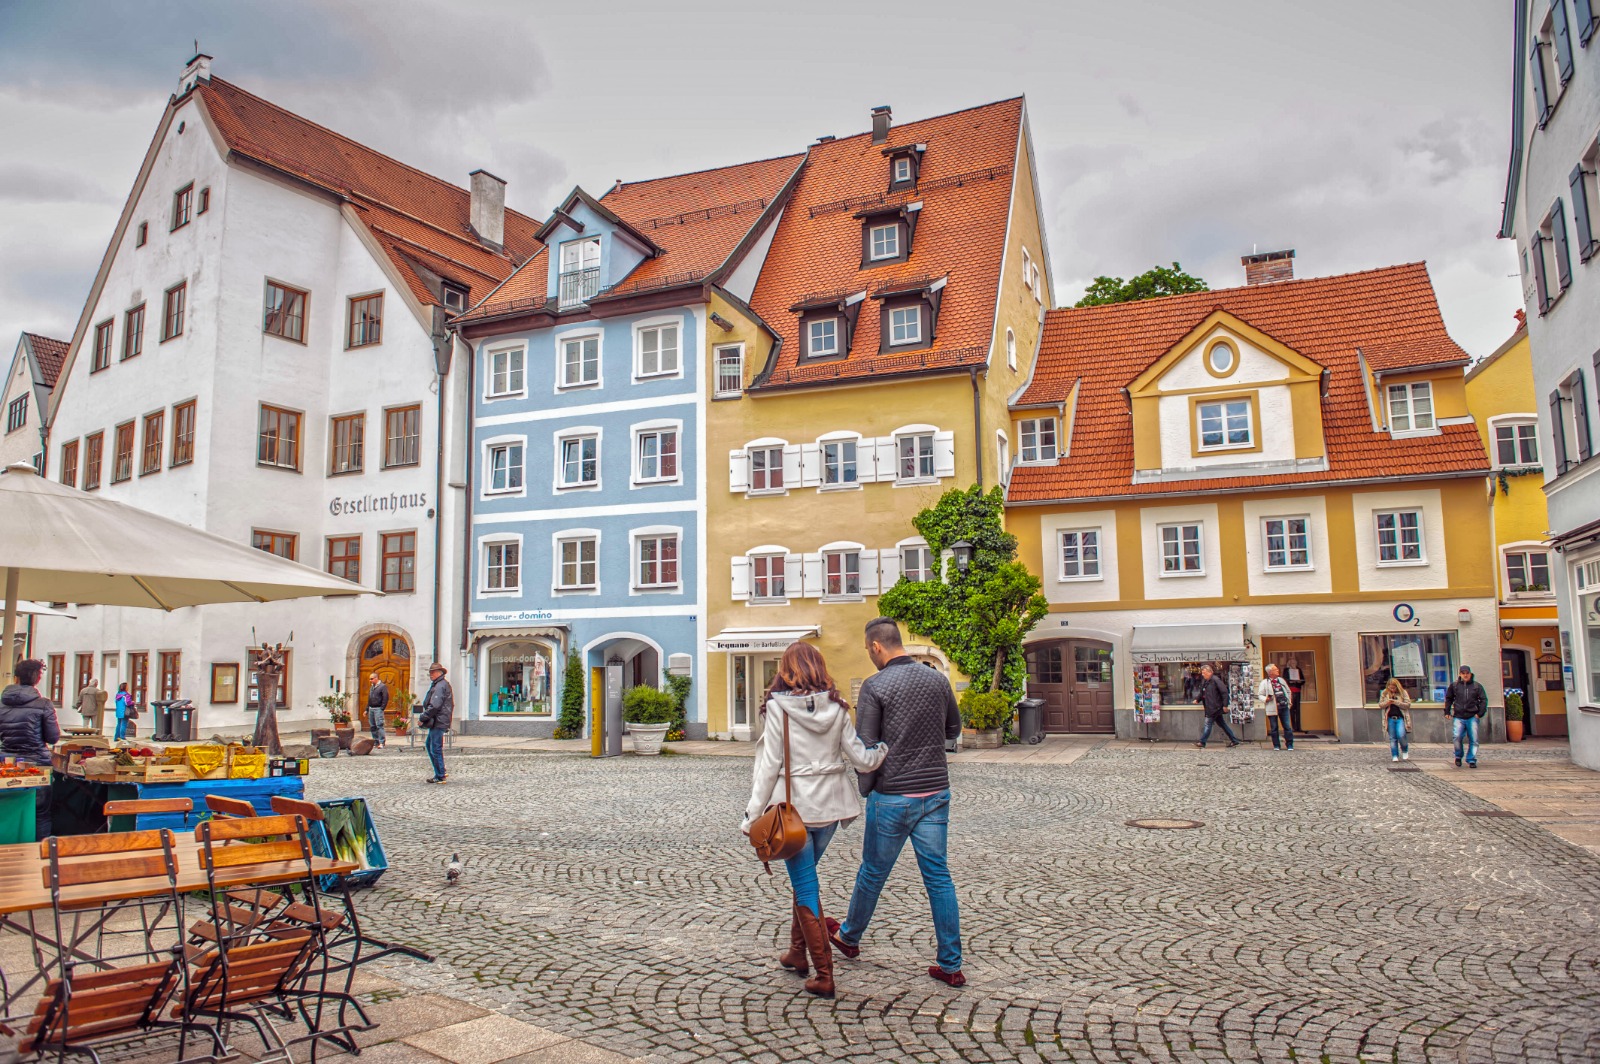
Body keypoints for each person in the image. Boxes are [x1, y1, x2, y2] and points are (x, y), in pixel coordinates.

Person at [742, 643, 886, 999]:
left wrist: (751, 816)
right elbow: (861, 759)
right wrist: (883, 749)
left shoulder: (778, 708)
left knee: (806, 886)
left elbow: (769, 767)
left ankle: (824, 974)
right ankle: (796, 953)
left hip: (793, 812)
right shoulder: (837, 707)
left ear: (786, 670)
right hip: (830, 810)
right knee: (803, 879)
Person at [831, 618, 965, 988]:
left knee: (873, 872)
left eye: (867, 649)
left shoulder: (875, 686)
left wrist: (866, 790)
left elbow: (866, 746)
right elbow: (953, 729)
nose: (869, 655)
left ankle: (849, 937)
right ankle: (951, 965)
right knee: (938, 876)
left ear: (876, 646)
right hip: (935, 791)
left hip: (892, 795)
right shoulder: (937, 680)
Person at [1, 659, 61, 837]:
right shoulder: (43, 704)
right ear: (37, 679)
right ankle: (40, 850)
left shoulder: (2, 703)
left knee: (8, 809)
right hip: (37, 766)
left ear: (16, 677)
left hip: (7, 765)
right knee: (40, 814)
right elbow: (53, 737)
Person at [1444, 665, 1487, 768]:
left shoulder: (1476, 686)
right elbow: (1449, 698)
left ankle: (1471, 759)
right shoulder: (1454, 686)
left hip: (1472, 716)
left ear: (1470, 674)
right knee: (1457, 737)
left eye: (1467, 673)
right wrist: (1447, 711)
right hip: (1459, 716)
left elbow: (1483, 699)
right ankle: (1458, 756)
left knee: (1474, 739)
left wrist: (1480, 713)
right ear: (1460, 674)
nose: (1465, 675)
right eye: (1463, 673)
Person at [419, 662, 453, 783]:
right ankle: (440, 771)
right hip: (438, 720)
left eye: (432, 672)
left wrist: (423, 717)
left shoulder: (440, 685)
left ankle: (440, 775)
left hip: (438, 720)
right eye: (430, 672)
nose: (430, 674)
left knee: (435, 747)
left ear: (439, 672)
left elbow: (435, 705)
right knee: (430, 745)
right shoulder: (439, 684)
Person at [1194, 663, 1240, 748]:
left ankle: (1202, 742)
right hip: (1210, 706)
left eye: (1204, 673)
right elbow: (1202, 692)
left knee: (1208, 724)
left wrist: (1225, 705)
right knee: (1222, 724)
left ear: (1209, 672)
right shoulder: (1205, 681)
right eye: (1202, 673)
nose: (1202, 674)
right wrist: (1197, 699)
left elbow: (1224, 692)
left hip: (1214, 707)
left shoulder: (1216, 680)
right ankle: (1234, 740)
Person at [1255, 664, 1295, 751]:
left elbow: (1288, 691)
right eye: (1275, 669)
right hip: (1272, 707)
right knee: (1274, 728)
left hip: (1284, 706)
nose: (1277, 670)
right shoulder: (1264, 682)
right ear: (1270, 672)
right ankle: (1276, 745)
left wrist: (1289, 701)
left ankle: (1290, 744)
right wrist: (1266, 699)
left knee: (1287, 726)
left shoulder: (1281, 680)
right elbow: (1260, 695)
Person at [1379, 678, 1412, 762]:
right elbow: (1381, 705)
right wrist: (1388, 702)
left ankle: (1404, 750)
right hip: (1390, 718)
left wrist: (1396, 702)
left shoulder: (1403, 692)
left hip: (1400, 718)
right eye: (1390, 688)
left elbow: (1408, 705)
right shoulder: (1385, 693)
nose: (1392, 690)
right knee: (1392, 738)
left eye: (1393, 688)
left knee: (1401, 735)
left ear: (1397, 687)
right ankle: (1394, 755)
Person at [367, 673, 389, 749]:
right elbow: (369, 698)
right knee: (372, 726)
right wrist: (366, 709)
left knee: (379, 725)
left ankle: (382, 742)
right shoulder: (372, 687)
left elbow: (385, 697)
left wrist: (382, 708)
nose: (370, 680)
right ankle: (375, 741)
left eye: (371, 679)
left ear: (376, 678)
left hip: (378, 708)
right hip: (371, 708)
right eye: (370, 679)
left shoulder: (382, 686)